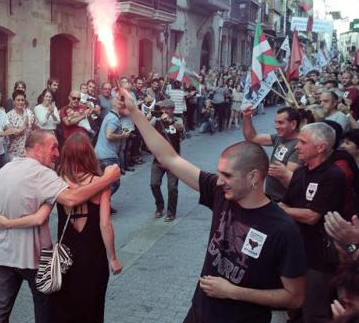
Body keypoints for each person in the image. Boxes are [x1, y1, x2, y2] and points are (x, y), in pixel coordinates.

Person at [117, 88, 307, 323]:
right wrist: (135, 112)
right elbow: (170, 158)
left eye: (227, 175)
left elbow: (295, 297)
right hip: (199, 312)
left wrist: (234, 292)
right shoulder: (221, 193)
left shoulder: (283, 229)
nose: (219, 181)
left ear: (253, 177)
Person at [0, 130, 120, 323]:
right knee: (45, 304)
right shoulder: (44, 174)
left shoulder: (5, 169)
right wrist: (107, 179)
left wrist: (1, 226)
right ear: (38, 149)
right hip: (33, 255)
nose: (57, 153)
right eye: (53, 147)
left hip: (2, 253)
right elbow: (71, 201)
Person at [280, 122, 347, 323]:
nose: (297, 146)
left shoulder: (333, 176)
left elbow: (312, 216)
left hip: (318, 258)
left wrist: (282, 210)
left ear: (320, 147)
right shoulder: (301, 171)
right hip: (294, 252)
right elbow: (286, 202)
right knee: (294, 307)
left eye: (302, 142)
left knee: (314, 310)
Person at [242, 106, 301, 202]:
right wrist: (247, 117)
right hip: (271, 197)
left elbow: (288, 181)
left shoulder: (299, 146)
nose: (276, 126)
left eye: (281, 123)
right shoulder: (280, 137)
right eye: (276, 122)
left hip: (283, 202)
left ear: (293, 124)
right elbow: (252, 138)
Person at [94, 96, 130, 213]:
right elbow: (109, 135)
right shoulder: (113, 119)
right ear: (119, 106)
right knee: (114, 183)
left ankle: (105, 205)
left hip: (101, 155)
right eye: (123, 105)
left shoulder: (109, 116)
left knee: (104, 183)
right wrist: (123, 136)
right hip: (108, 156)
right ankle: (100, 204)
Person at [150, 100, 183, 221]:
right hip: (158, 159)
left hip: (173, 160)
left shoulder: (178, 120)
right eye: (162, 108)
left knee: (172, 187)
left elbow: (181, 128)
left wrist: (170, 121)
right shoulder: (157, 121)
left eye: (167, 108)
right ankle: (159, 206)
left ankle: (171, 212)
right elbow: (146, 129)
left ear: (172, 109)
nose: (164, 111)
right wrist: (149, 117)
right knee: (154, 184)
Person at [6, 90, 35, 159]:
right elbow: (11, 135)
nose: (20, 102)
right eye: (18, 100)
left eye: (22, 100)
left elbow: (33, 128)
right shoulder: (8, 116)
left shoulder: (29, 112)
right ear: (13, 102)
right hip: (15, 152)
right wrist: (23, 127)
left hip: (28, 151)